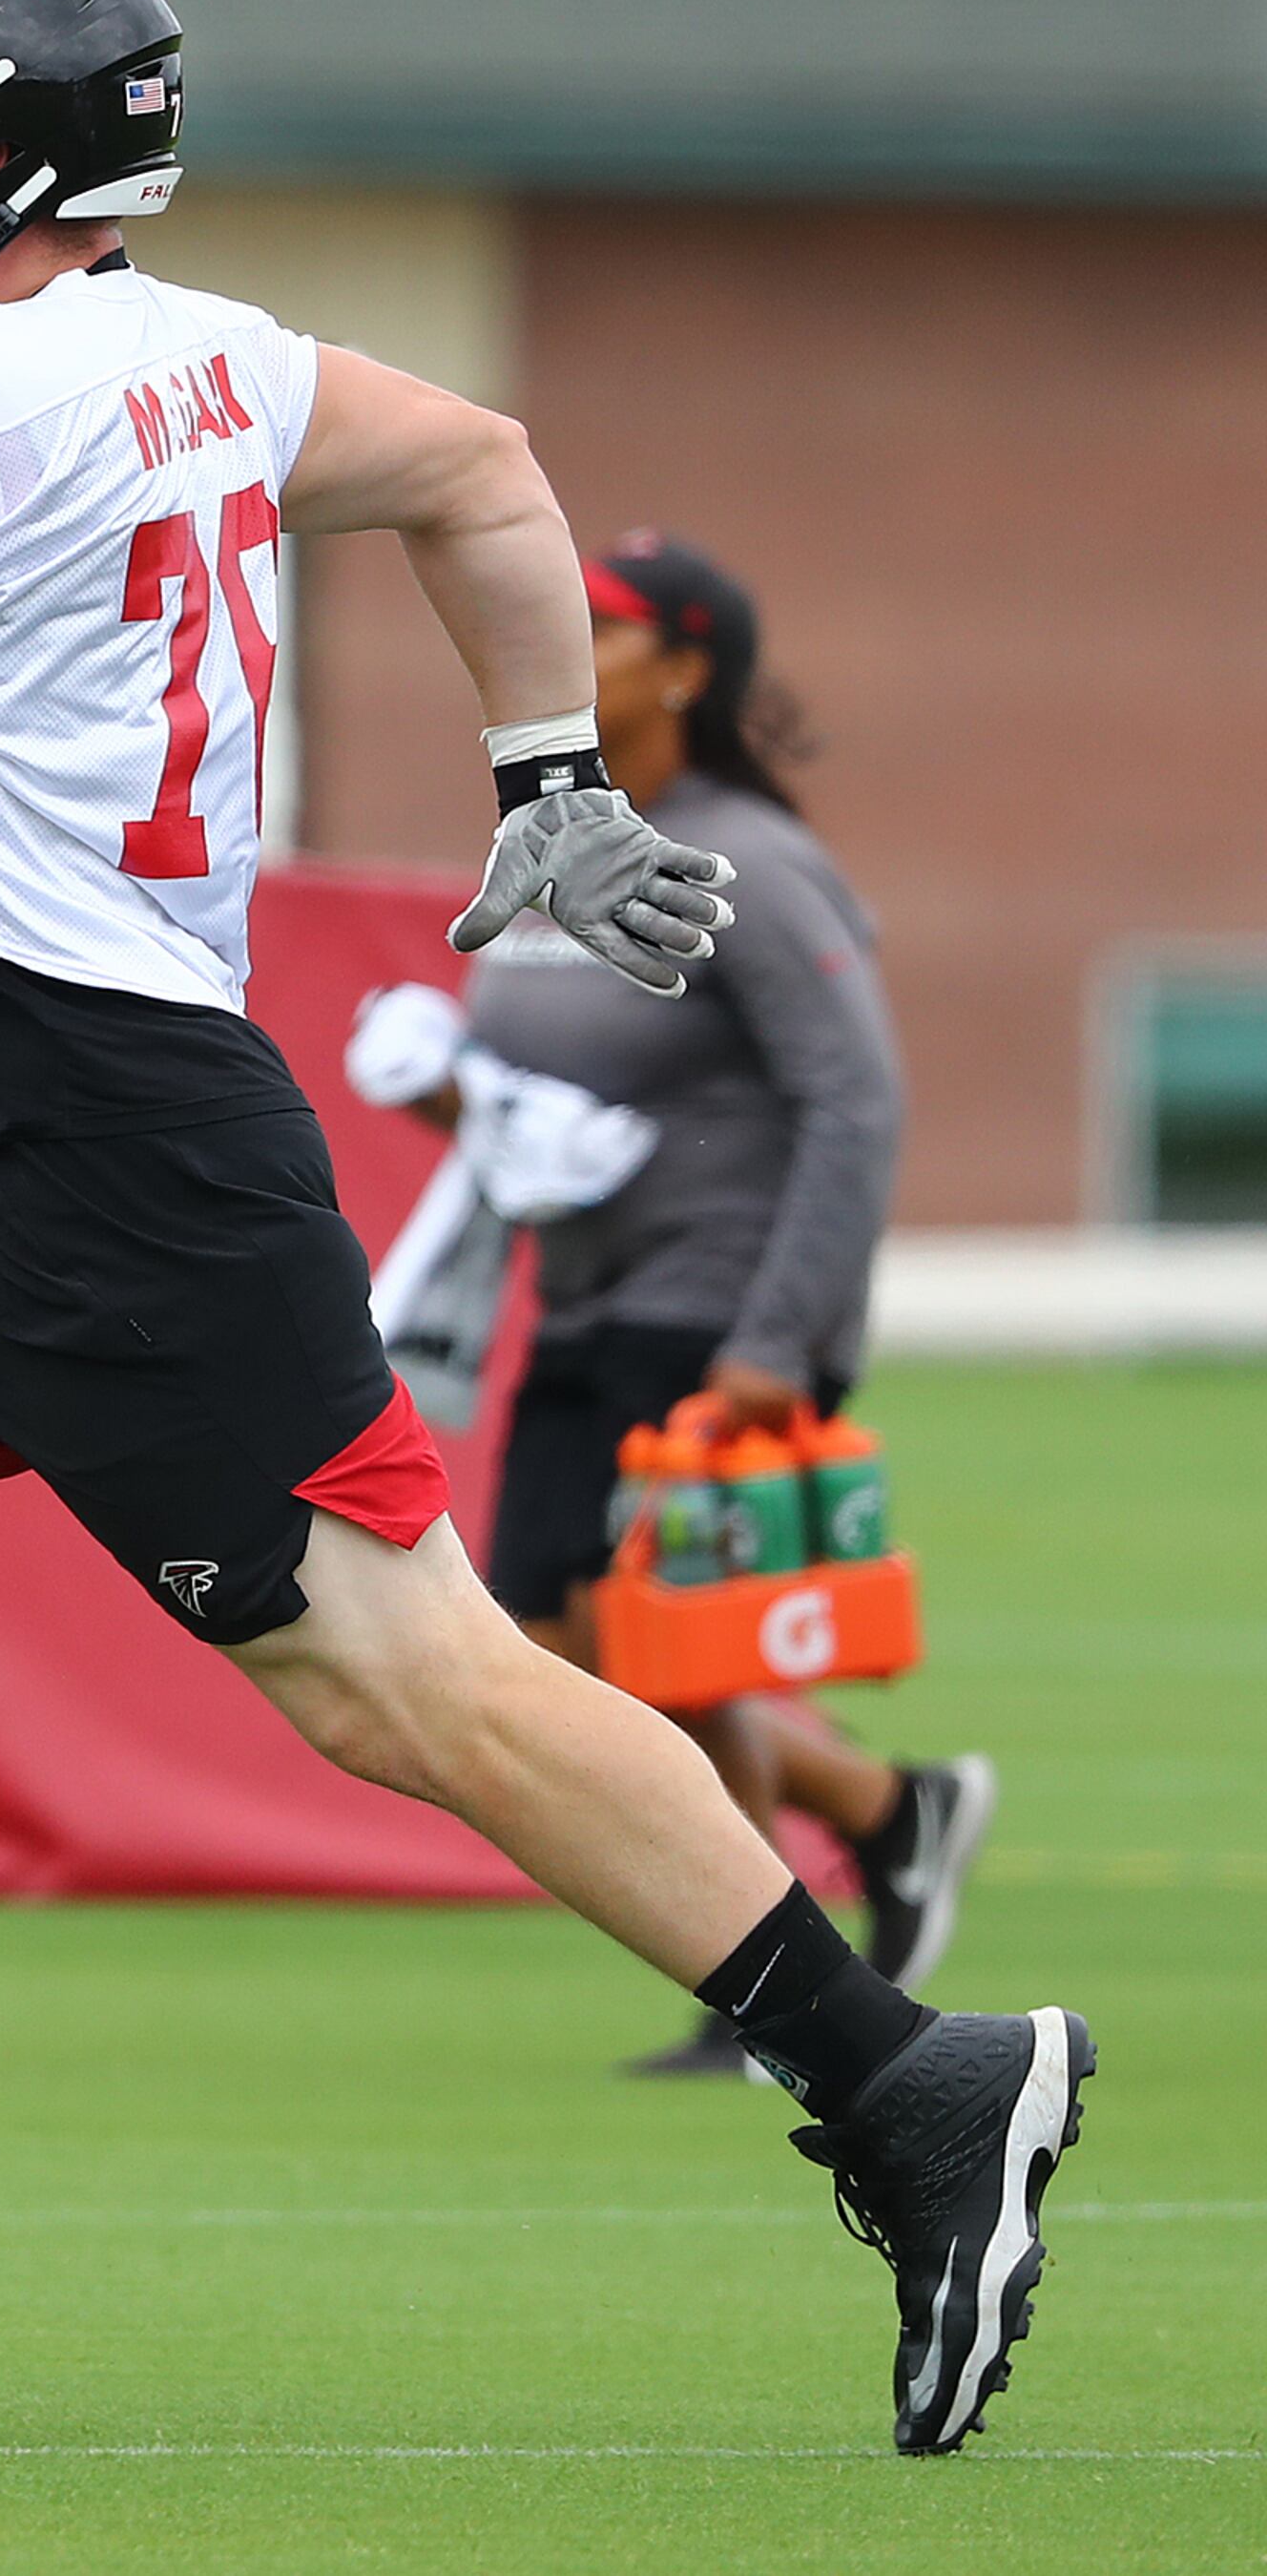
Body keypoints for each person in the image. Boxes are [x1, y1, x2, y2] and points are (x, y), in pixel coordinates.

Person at [0, 0, 1084, 2452]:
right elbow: (476, 462)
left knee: (402, 1671)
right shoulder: (184, 351)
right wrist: (549, 780)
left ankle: (905, 2080)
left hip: (72, 1124)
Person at [447, 533, 993, 2073]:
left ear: (685, 668)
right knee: (552, 1642)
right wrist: (448, 1092)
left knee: (654, 1647)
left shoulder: (753, 850)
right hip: (582, 1296)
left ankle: (773, 1987)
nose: (568, 642)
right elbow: (552, 1069)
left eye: (604, 628)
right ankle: (887, 1812)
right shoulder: (562, 840)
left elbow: (856, 1102)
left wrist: (777, 1340)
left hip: (710, 1307)